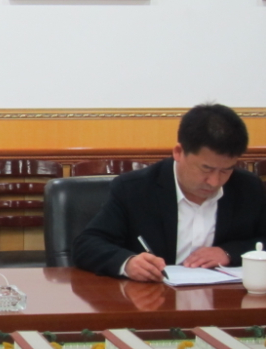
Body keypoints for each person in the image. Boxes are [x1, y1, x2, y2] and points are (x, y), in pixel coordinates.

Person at [73, 103, 266, 282]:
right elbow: (87, 245)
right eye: (206, 169)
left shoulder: (248, 188)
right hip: (153, 299)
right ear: (178, 152)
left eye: (226, 170)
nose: (214, 181)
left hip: (224, 301)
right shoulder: (134, 189)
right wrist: (128, 263)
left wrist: (229, 253)